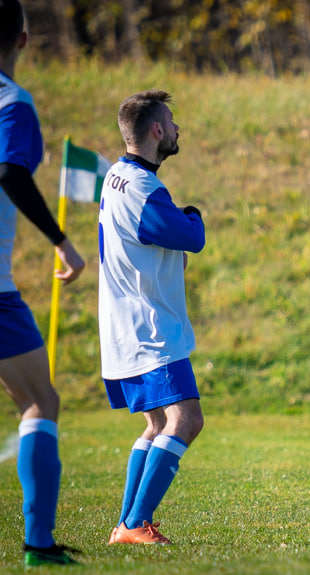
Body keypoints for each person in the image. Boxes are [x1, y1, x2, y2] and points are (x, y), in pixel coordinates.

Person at [98, 90, 206, 545]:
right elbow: (189, 236)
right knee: (185, 419)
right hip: (150, 327)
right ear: (157, 130)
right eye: (172, 122)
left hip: (126, 323)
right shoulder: (144, 188)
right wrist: (194, 215)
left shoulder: (116, 176)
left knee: (157, 424)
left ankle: (127, 522)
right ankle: (134, 524)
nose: (178, 129)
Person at [0, 0, 86, 566]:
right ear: (25, 38)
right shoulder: (12, 101)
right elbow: (11, 171)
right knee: (40, 400)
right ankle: (38, 544)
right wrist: (62, 241)